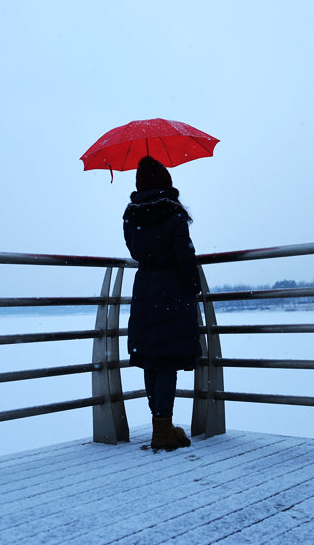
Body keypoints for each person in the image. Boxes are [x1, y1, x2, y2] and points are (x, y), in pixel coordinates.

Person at [123, 156, 202, 450]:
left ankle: (161, 425)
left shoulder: (131, 214)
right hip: (172, 289)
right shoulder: (173, 212)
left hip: (144, 289)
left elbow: (134, 250)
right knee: (168, 360)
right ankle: (162, 430)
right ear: (166, 181)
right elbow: (184, 254)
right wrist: (193, 284)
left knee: (151, 358)